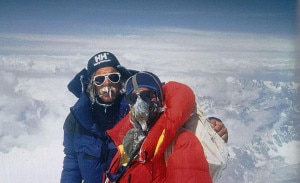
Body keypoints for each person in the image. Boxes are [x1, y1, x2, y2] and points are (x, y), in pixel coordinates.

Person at [60, 51, 228, 183]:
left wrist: (208, 127)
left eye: (113, 77)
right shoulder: (76, 119)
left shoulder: (134, 106)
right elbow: (72, 161)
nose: (107, 83)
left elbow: (169, 100)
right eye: (99, 80)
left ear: (121, 81)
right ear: (91, 84)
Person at [104, 71, 212, 182]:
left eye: (147, 96)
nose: (140, 103)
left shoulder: (182, 142)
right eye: (133, 99)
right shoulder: (130, 139)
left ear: (159, 98)